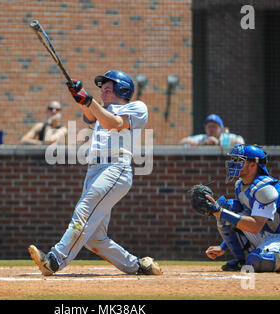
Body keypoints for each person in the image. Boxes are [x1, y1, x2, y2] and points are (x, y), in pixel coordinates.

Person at [28, 70, 162, 276]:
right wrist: (78, 94)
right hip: (94, 171)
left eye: (109, 87)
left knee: (83, 211)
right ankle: (138, 266)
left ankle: (55, 260)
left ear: (122, 88)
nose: (103, 91)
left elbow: (114, 123)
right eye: (102, 88)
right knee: (93, 238)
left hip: (115, 168)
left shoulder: (136, 107)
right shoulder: (102, 111)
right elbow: (91, 114)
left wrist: (88, 100)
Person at [205, 144, 280, 272]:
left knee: (258, 261)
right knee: (227, 209)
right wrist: (223, 247)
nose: (233, 163)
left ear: (253, 164)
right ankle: (241, 260)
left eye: (240, 160)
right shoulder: (240, 185)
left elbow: (254, 226)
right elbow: (242, 220)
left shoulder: (265, 189)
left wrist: (220, 212)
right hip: (266, 233)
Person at [179, 114, 245, 147]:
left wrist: (219, 143)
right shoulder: (203, 138)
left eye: (214, 126)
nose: (211, 129)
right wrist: (202, 144)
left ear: (221, 128)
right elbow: (182, 142)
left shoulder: (225, 137)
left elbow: (241, 141)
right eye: (209, 126)